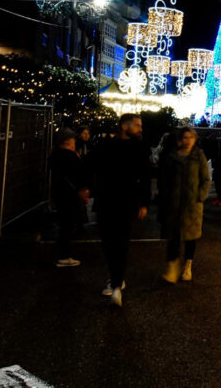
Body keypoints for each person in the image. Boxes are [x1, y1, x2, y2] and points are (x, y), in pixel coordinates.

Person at [89, 113, 152, 307]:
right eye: (137, 125)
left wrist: (144, 203)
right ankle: (116, 278)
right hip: (107, 201)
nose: (141, 129)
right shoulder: (105, 145)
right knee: (109, 242)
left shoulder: (139, 148)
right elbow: (90, 166)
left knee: (121, 242)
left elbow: (146, 176)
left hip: (126, 202)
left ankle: (116, 284)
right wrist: (85, 188)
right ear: (125, 126)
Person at [158, 128, 210, 283]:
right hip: (173, 204)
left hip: (192, 205)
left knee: (190, 237)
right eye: (185, 137)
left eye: (190, 137)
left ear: (195, 139)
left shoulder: (198, 156)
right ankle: (172, 268)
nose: (188, 140)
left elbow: (206, 179)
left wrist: (200, 196)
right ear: (180, 139)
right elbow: (164, 178)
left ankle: (187, 266)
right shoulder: (172, 156)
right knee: (173, 237)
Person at [50, 128, 89, 268]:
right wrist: (82, 190)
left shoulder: (55, 155)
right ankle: (63, 256)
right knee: (67, 225)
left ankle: (62, 254)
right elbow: (80, 173)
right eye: (73, 141)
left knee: (64, 225)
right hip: (69, 194)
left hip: (60, 193)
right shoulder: (69, 156)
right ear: (67, 142)